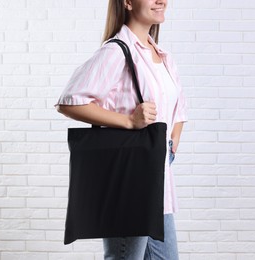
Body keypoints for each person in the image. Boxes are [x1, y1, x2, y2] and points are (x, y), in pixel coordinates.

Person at [56, 0, 187, 258]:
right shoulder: (117, 52)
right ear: (127, 2)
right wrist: (129, 121)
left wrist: (171, 144)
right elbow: (69, 101)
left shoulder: (162, 56)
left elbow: (179, 108)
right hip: (132, 175)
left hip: (158, 178)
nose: (161, 1)